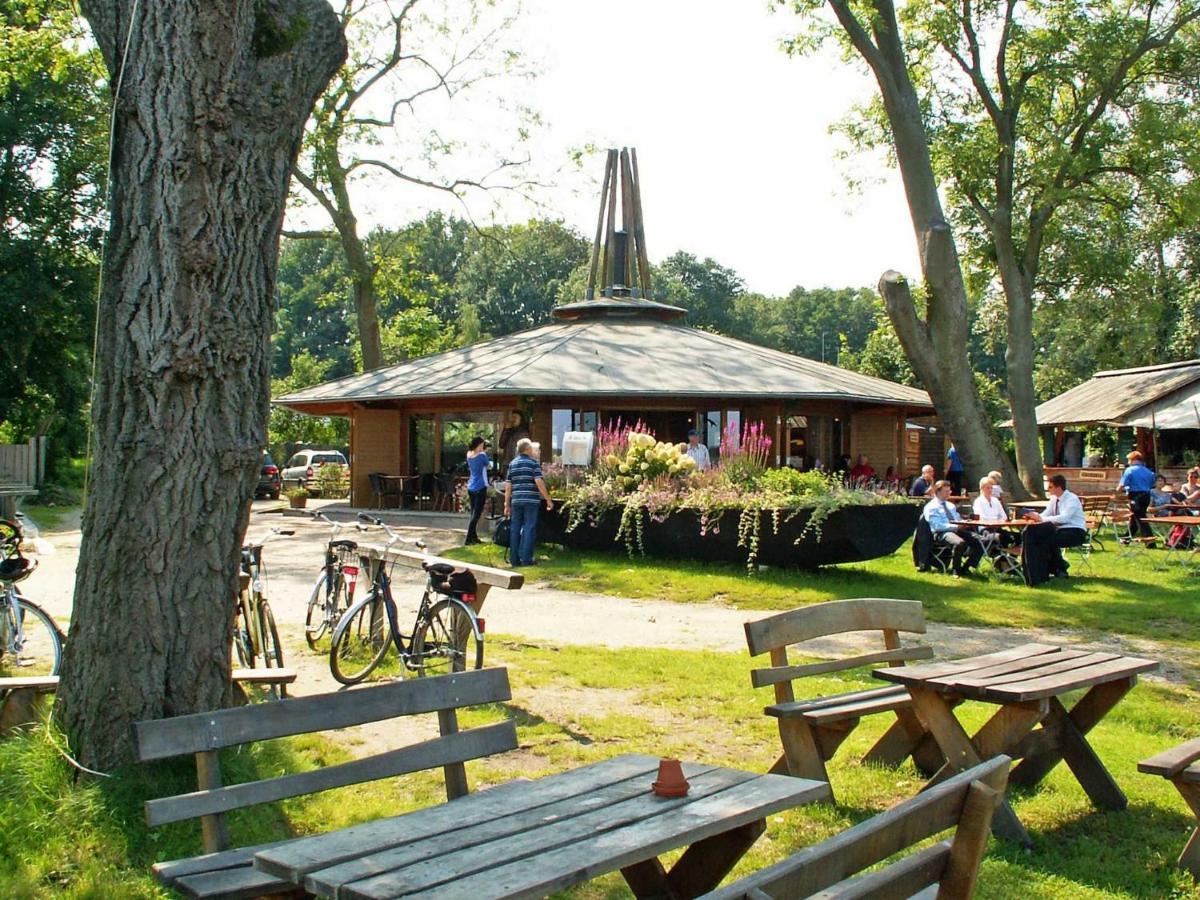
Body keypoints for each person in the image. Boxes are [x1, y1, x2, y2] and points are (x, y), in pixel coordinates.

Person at [1023, 474, 1088, 583]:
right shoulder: (1054, 499)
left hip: (1075, 531)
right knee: (1041, 538)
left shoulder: (1071, 499)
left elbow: (1065, 518)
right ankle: (1057, 567)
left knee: (1047, 540)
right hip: (1060, 530)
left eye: (1050, 487)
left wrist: (1041, 519)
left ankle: (1058, 567)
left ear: (1058, 488)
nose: (1048, 490)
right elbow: (1046, 514)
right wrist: (1036, 517)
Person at [503, 438, 553, 567]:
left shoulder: (512, 464)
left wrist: (506, 504)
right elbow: (539, 482)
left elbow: (508, 485)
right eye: (531, 448)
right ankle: (526, 559)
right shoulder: (533, 463)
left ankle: (514, 559)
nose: (532, 450)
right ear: (527, 449)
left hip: (516, 500)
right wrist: (548, 499)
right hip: (530, 500)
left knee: (515, 529)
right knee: (529, 528)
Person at [923, 480, 984, 577]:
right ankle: (956, 570)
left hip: (956, 530)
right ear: (938, 492)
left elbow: (957, 519)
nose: (949, 493)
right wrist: (955, 526)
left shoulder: (950, 505)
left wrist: (965, 523)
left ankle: (966, 567)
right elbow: (937, 526)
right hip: (942, 533)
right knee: (959, 543)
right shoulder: (931, 507)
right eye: (946, 491)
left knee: (981, 541)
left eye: (949, 491)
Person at [1118, 450, 1156, 540]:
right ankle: (1127, 537)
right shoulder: (1149, 472)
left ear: (1133, 459)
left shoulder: (1129, 470)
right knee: (1135, 516)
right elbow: (1151, 484)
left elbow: (1122, 485)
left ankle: (1150, 540)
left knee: (1141, 518)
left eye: (1129, 460)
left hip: (1135, 496)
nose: (1128, 462)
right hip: (1146, 495)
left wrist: (1116, 493)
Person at [464, 437, 490, 545]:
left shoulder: (469, 454)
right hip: (480, 487)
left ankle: (474, 537)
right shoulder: (482, 456)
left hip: (471, 486)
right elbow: (488, 466)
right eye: (482, 444)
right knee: (477, 514)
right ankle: (469, 538)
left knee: (473, 514)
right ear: (479, 444)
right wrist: (484, 452)